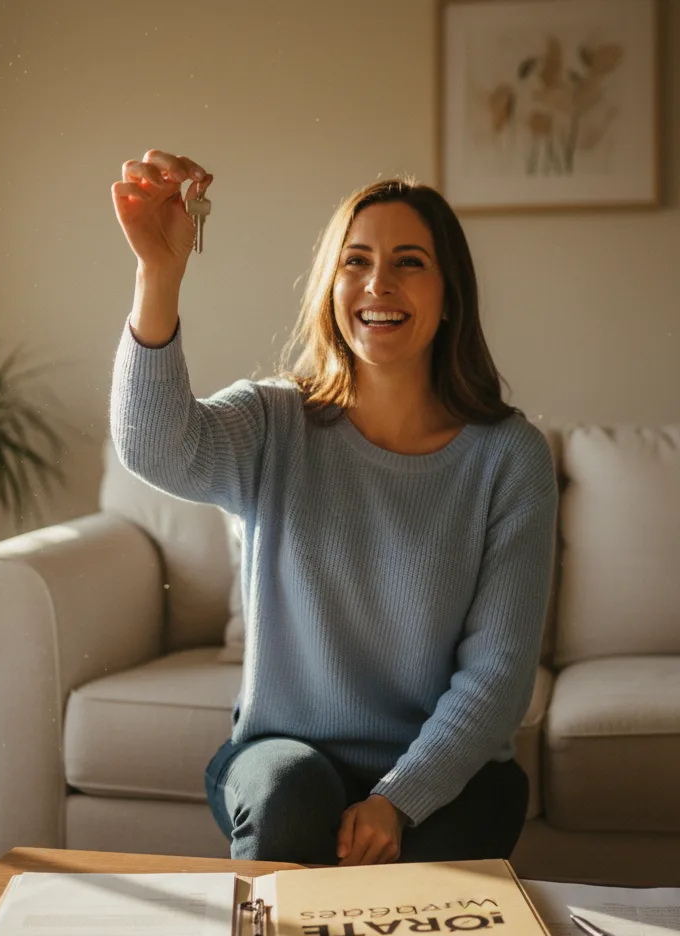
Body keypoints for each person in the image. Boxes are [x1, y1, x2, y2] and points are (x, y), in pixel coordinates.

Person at [109, 149, 558, 868]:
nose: (379, 282)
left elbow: (499, 674)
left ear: (450, 296)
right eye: (356, 261)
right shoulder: (274, 421)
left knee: (440, 858)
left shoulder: (509, 457)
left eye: (410, 262)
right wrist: (157, 274)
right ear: (331, 286)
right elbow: (153, 447)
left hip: (444, 770)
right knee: (290, 797)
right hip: (284, 756)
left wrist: (398, 799)